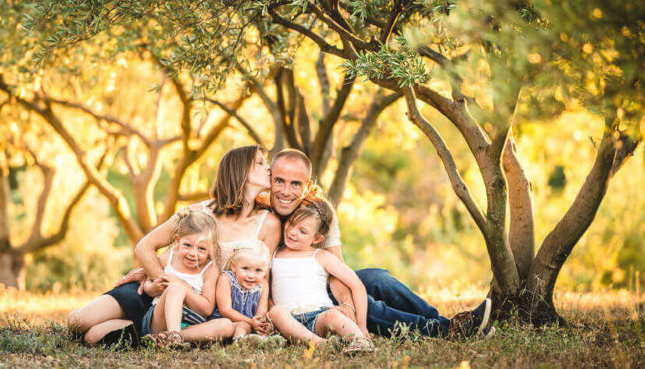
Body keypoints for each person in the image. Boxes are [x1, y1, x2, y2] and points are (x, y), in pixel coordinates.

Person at [67, 145, 281, 347]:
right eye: (261, 163)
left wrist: (266, 317)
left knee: (92, 336)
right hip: (154, 293)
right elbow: (145, 246)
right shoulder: (198, 212)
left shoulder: (269, 223)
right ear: (240, 171)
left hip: (196, 308)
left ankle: (146, 333)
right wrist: (162, 282)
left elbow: (264, 278)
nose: (269, 168)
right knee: (77, 323)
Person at [265, 148, 492, 339]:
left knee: (377, 278)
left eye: (295, 184)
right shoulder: (263, 214)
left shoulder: (319, 212)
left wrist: (348, 305)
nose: (286, 191)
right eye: (279, 181)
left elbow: (337, 268)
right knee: (372, 306)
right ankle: (445, 330)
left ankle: (449, 323)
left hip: (320, 282)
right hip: (292, 298)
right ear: (270, 179)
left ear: (307, 186)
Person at [267, 197, 373, 353]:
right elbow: (267, 290)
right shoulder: (274, 254)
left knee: (333, 316)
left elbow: (356, 285)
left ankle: (360, 340)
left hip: (319, 316)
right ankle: (320, 344)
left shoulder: (321, 256)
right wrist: (269, 313)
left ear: (317, 239)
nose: (292, 232)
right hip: (288, 320)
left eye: (302, 231)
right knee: (276, 312)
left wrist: (362, 326)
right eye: (291, 223)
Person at [141, 210, 232, 347]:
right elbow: (147, 285)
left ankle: (170, 338)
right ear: (178, 241)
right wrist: (152, 288)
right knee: (176, 289)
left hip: (192, 324)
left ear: (212, 249)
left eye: (201, 249)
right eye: (187, 245)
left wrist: (182, 285)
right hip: (160, 319)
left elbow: (207, 309)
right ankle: (173, 335)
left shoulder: (210, 269)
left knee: (227, 325)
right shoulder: (168, 258)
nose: (193, 254)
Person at [210, 240, 273, 342]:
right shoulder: (226, 279)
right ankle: (239, 341)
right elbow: (225, 310)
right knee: (241, 325)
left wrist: (260, 325)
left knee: (245, 326)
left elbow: (261, 312)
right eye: (245, 268)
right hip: (223, 324)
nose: (251, 275)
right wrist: (250, 321)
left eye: (258, 270)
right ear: (233, 266)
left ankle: (245, 341)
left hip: (248, 325)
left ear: (266, 271)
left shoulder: (263, 285)